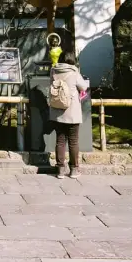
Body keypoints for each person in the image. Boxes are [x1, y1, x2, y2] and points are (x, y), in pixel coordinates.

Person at [49, 51, 89, 179]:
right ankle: (74, 170)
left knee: (60, 140)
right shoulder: (74, 72)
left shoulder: (53, 71)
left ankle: (60, 170)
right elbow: (83, 87)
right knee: (73, 141)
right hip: (72, 112)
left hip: (57, 111)